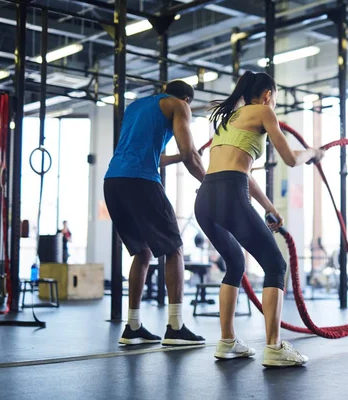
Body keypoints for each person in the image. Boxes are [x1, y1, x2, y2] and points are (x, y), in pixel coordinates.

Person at [195, 71, 325, 367]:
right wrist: (313, 153)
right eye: (275, 97)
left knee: (236, 264)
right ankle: (274, 347)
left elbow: (242, 172)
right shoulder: (264, 111)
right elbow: (291, 159)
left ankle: (227, 342)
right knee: (275, 265)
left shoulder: (230, 118)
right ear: (268, 94)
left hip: (205, 198)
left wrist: (269, 207)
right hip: (229, 193)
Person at [104, 80, 207, 346]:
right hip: (141, 181)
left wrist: (183, 156)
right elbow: (189, 155)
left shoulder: (137, 106)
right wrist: (209, 184)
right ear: (187, 99)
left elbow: (159, 157)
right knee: (174, 249)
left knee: (143, 252)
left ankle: (133, 326)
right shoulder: (179, 106)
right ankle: (175, 327)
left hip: (113, 181)